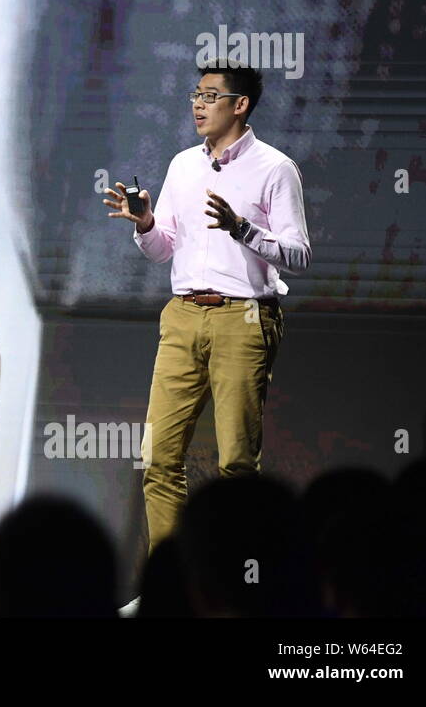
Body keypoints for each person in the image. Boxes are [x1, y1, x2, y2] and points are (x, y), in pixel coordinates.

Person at [103, 60, 311, 555]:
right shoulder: (182, 165)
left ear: (240, 105)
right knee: (158, 458)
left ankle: (236, 589)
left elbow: (299, 255)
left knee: (236, 466)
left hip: (243, 319)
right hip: (181, 316)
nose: (198, 104)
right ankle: (169, 588)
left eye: (210, 95)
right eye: (195, 95)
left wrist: (243, 229)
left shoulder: (275, 168)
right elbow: (162, 250)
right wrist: (146, 223)